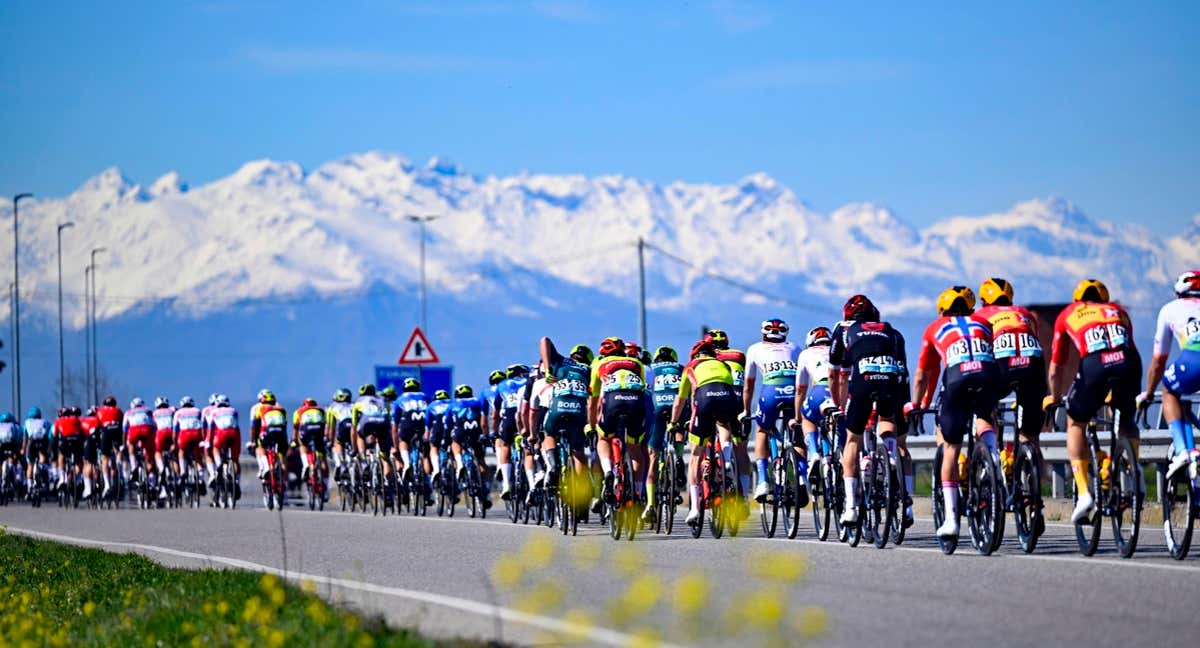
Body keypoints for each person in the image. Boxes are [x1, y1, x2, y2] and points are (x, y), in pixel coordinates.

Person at [1046, 279, 1143, 523]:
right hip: (1129, 363)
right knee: (1126, 418)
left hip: (1095, 365)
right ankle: (1135, 472)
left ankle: (1083, 493)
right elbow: (1128, 344)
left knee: (1076, 421)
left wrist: (1055, 397)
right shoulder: (1117, 311)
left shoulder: (1069, 314)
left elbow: (1057, 366)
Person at [908, 286, 1000, 538]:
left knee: (950, 447)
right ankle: (993, 456)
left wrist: (918, 403)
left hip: (957, 379)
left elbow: (924, 374)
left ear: (941, 312)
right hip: (989, 375)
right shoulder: (982, 322)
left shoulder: (934, 328)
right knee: (985, 415)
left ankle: (951, 520)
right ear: (971, 309)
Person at [830, 294, 907, 528]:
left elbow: (837, 374)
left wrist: (839, 406)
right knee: (886, 419)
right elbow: (902, 370)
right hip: (890, 380)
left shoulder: (844, 331)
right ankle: (891, 455)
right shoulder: (891, 330)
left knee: (852, 439)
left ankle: (852, 506)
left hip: (862, 380)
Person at [976, 278, 1048, 475]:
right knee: (1031, 436)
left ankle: (990, 464)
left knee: (984, 412)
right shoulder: (1026, 314)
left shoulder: (980, 315)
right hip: (1033, 368)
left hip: (1002, 366)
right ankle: (1035, 494)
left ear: (984, 300)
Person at [670, 340, 741, 527]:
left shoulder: (690, 367)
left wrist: (674, 423)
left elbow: (681, 401)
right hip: (728, 396)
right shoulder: (722, 363)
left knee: (695, 456)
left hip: (704, 398)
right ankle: (725, 459)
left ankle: (694, 508)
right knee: (723, 424)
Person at [1140, 270, 1200, 478]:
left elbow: (1159, 360)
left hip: (1193, 358)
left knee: (1169, 390)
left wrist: (1148, 392)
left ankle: (1183, 450)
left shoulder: (1169, 309)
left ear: (1178, 293)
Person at [745, 318, 804, 507]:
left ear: (763, 333)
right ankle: (801, 479)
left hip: (771, 392)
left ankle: (762, 480)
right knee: (797, 435)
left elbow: (749, 385)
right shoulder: (795, 348)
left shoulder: (754, 349)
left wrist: (746, 411)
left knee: (762, 429)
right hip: (793, 393)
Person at [589, 337, 648, 509]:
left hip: (612, 400)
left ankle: (608, 471)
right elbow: (643, 388)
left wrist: (592, 426)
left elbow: (593, 402)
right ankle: (637, 493)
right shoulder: (636, 363)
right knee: (635, 449)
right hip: (635, 401)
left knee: (604, 439)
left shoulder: (599, 365)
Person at [538, 337, 594, 510]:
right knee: (578, 453)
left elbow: (544, 340)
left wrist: (548, 370)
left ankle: (554, 465)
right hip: (579, 411)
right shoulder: (590, 370)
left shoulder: (561, 361)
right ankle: (579, 493)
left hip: (558, 408)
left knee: (548, 435)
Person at [791, 326, 836, 481]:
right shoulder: (839, 350)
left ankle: (814, 452)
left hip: (819, 390)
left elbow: (800, 390)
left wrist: (797, 417)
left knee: (807, 418)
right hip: (841, 391)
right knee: (837, 422)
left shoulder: (805, 354)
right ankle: (839, 454)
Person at [645, 346, 684, 520]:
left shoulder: (650, 369)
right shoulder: (680, 368)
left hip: (658, 408)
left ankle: (651, 505)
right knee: (677, 427)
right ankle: (679, 457)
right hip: (678, 406)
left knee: (653, 455)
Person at [445, 384, 491, 509]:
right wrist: (485, 435)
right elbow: (484, 418)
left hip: (460, 430)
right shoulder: (477, 401)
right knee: (481, 462)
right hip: (476, 432)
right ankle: (486, 492)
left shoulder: (452, 404)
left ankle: (460, 464)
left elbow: (448, 425)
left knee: (455, 442)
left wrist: (446, 440)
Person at [492, 364, 529, 500]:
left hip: (509, 415)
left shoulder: (501, 385)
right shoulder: (528, 381)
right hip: (524, 414)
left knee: (505, 445)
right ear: (520, 374)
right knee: (527, 442)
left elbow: (495, 413)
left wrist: (495, 432)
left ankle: (507, 484)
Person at [394, 378, 431, 504]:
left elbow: (395, 422)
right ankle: (427, 483)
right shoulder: (425, 396)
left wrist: (396, 443)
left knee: (403, 441)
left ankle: (407, 463)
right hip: (423, 424)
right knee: (426, 453)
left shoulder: (400, 399)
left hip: (408, 423)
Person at [351, 384, 394, 483]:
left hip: (367, 423)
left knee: (360, 435)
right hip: (383, 423)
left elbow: (353, 428)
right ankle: (388, 483)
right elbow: (389, 419)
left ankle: (364, 461)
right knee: (385, 458)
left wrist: (354, 449)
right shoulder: (383, 400)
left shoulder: (358, 402)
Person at [250, 391, 289, 486]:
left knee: (259, 448)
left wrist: (253, 441)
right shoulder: (281, 409)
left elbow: (254, 426)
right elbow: (285, 425)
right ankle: (283, 482)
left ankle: (266, 467)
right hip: (281, 434)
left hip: (267, 433)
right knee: (282, 458)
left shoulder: (259, 409)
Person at [293, 397, 329, 499]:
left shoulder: (298, 411)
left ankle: (306, 464)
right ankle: (325, 487)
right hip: (319, 432)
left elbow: (296, 428)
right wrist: (326, 438)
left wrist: (294, 441)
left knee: (303, 445)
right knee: (322, 458)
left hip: (306, 431)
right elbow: (326, 426)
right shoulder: (321, 410)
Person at [207, 394, 241, 500]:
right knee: (235, 460)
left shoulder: (213, 412)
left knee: (215, 448)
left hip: (221, 434)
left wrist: (209, 441)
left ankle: (219, 464)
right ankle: (237, 482)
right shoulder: (233, 410)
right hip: (235, 434)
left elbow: (211, 429)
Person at [173, 396, 207, 491]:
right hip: (197, 433)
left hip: (184, 435)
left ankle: (183, 472)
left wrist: (175, 443)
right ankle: (201, 479)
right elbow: (203, 424)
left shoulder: (178, 413)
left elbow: (175, 430)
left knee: (181, 451)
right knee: (198, 458)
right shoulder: (197, 411)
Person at [95, 396, 124, 498]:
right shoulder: (119, 410)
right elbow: (122, 423)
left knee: (104, 457)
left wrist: (98, 442)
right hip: (117, 430)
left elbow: (97, 428)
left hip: (106, 431)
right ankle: (119, 467)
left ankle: (107, 484)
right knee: (118, 450)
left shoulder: (100, 411)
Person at [123, 397, 156, 484]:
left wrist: (124, 444)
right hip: (148, 430)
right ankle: (152, 484)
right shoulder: (148, 410)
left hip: (134, 430)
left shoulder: (128, 412)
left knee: (131, 446)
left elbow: (125, 429)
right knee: (149, 457)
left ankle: (134, 468)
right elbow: (154, 424)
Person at [54, 407, 86, 497]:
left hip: (66, 440)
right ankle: (79, 479)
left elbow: (55, 436)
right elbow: (83, 432)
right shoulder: (77, 419)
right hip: (77, 440)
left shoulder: (58, 421)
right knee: (79, 460)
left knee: (61, 456)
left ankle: (63, 478)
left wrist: (54, 449)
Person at [325, 388, 354, 480]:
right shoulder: (354, 405)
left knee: (338, 443)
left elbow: (331, 428)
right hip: (353, 426)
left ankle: (341, 463)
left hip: (343, 426)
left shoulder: (332, 407)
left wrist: (330, 441)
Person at [426, 389, 453, 482]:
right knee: (455, 447)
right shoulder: (452, 403)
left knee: (434, 447)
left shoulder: (431, 406)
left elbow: (428, 425)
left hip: (437, 428)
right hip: (451, 428)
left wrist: (426, 438)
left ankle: (436, 468)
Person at [23, 407, 53, 491]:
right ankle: (41, 469)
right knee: (42, 458)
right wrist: (49, 450)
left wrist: (23, 449)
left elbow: (25, 438)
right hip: (43, 442)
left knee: (30, 464)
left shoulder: (27, 422)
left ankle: (29, 487)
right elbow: (50, 436)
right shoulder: (45, 422)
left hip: (32, 442)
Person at [152, 397, 175, 496]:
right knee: (174, 454)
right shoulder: (172, 411)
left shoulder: (154, 413)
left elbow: (152, 428)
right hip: (171, 432)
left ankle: (162, 470)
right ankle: (176, 478)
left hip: (160, 433)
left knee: (157, 452)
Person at [0, 411, 23, 495]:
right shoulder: (15, 426)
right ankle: (15, 474)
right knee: (14, 458)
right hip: (12, 445)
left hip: (1, 445)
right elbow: (18, 439)